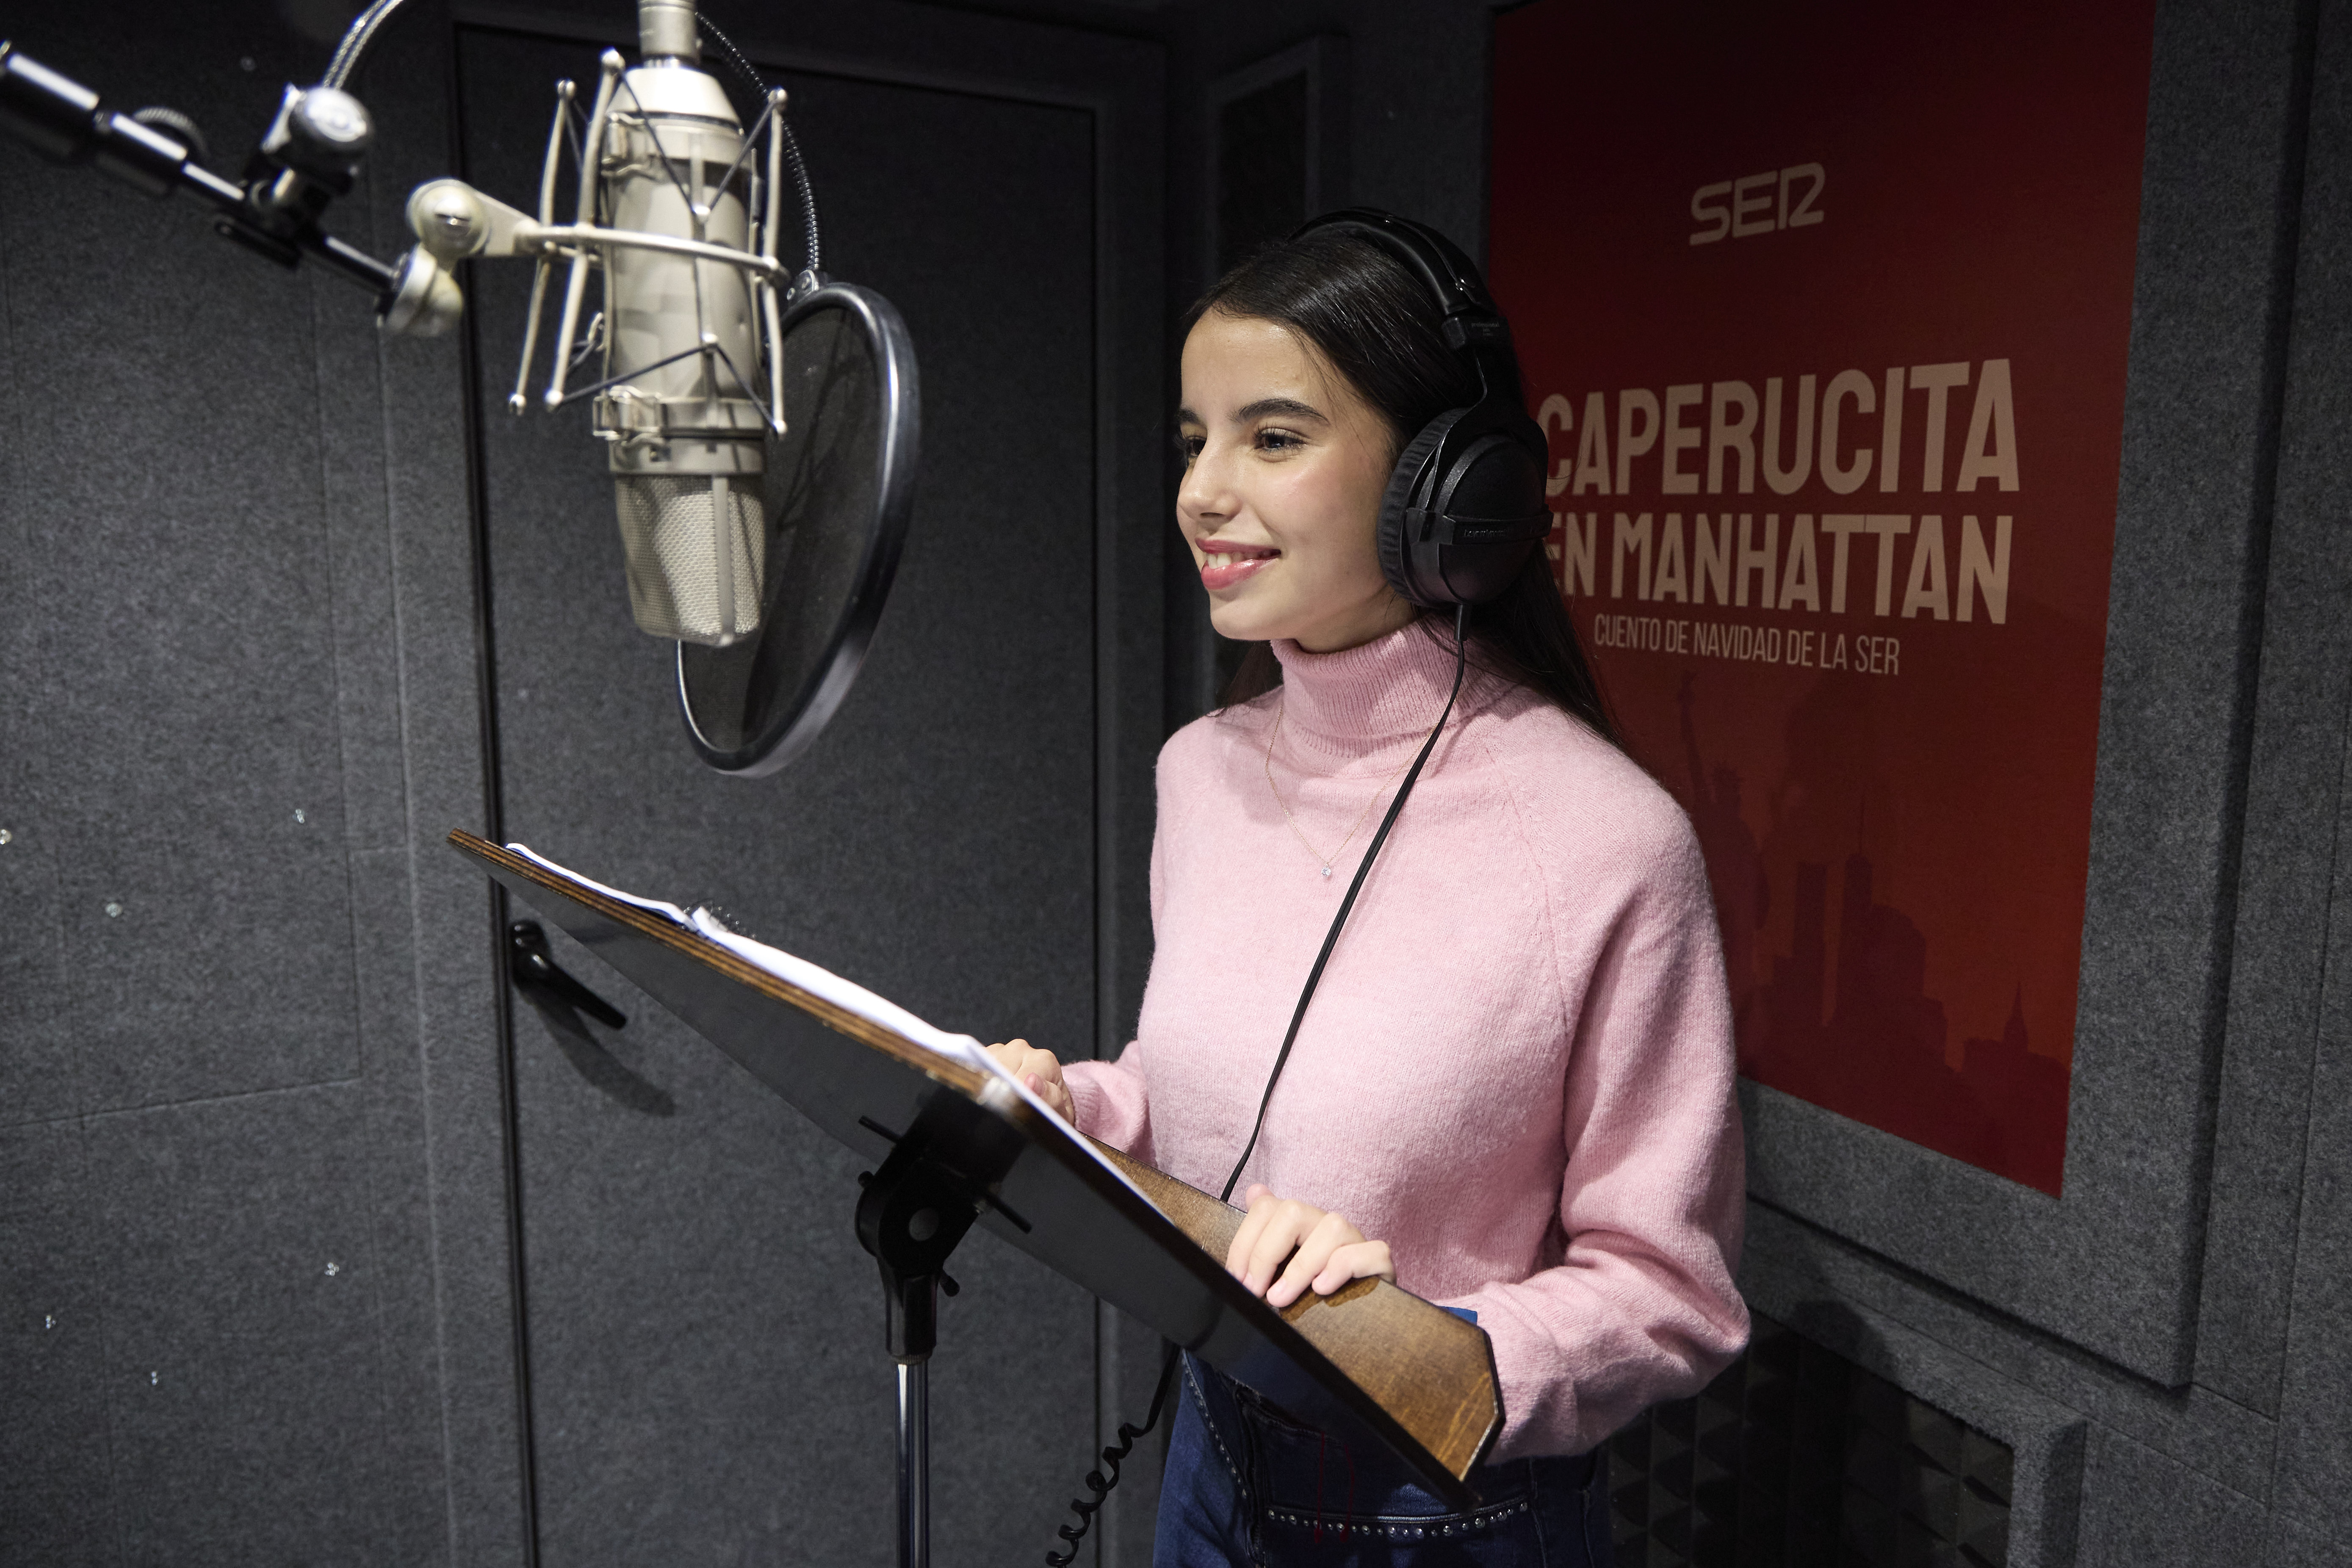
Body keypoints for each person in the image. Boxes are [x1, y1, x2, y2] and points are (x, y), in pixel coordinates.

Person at [988, 220, 1747, 1566]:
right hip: (1214, 1456)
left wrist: (1428, 1345)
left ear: (1449, 486)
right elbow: (1206, 1101)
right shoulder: (1200, 771)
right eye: (1193, 438)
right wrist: (1080, 1109)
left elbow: (1670, 1295)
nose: (1202, 494)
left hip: (1448, 1504)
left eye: (1271, 438)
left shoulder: (1609, 843)